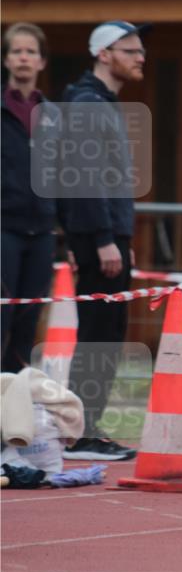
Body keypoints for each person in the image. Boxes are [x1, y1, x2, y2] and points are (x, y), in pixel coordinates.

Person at [60, 20, 150, 461]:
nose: (140, 57)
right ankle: (78, 434)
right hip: (98, 238)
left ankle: (83, 429)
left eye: (140, 51)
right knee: (99, 333)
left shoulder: (103, 103)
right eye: (130, 50)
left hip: (109, 235)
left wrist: (120, 235)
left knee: (107, 333)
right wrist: (101, 238)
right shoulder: (86, 103)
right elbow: (83, 178)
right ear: (103, 54)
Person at [1, 22, 57, 372]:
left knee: (28, 321)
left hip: (42, 234)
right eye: (16, 51)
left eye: (30, 52)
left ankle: (14, 409)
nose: (23, 58)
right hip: (3, 229)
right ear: (6, 60)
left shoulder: (53, 116)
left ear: (41, 62)